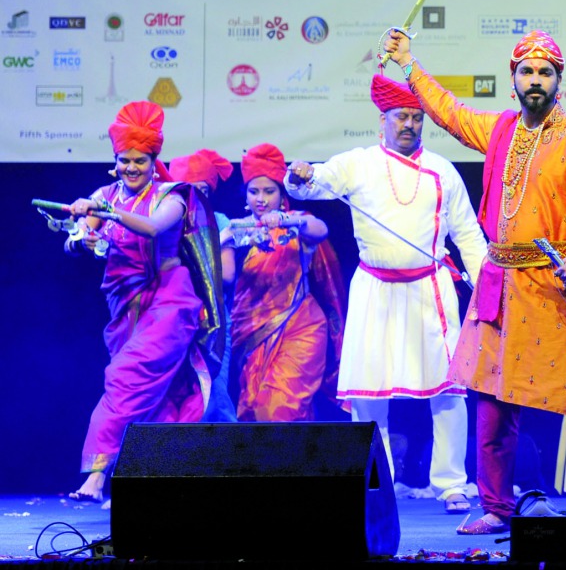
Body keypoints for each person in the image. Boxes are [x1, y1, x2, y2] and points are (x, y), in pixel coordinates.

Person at [383, 27, 566, 537]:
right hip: (500, 287)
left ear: (559, 80)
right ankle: (497, 505)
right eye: (526, 71)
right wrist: (408, 65)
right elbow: (448, 111)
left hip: (556, 293)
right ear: (512, 79)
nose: (534, 80)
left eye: (545, 72)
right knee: (493, 407)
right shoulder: (498, 131)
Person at [286, 75, 486, 514]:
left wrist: (487, 286)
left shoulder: (441, 171)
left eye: (417, 117)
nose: (410, 124)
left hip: (430, 289)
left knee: (449, 389)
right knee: (368, 392)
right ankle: (379, 482)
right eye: (402, 117)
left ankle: (452, 483)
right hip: (374, 288)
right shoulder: (358, 163)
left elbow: (468, 234)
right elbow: (311, 184)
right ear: (383, 121)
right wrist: (297, 175)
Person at [63, 101, 223, 505]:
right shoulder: (104, 195)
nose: (132, 168)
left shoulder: (174, 195)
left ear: (154, 161)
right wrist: (83, 235)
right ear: (114, 162)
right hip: (126, 306)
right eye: (124, 161)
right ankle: (150, 484)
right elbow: (76, 242)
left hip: (172, 301)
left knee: (125, 379)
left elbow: (152, 228)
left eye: (140, 160)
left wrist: (104, 212)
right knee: (159, 396)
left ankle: (96, 477)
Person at [221, 143, 347, 422]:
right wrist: (227, 241)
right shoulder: (235, 229)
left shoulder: (297, 222)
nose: (261, 199)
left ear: (282, 194)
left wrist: (287, 221)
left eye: (269, 191)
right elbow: (226, 277)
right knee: (256, 407)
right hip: (252, 330)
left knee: (282, 405)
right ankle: (296, 464)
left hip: (300, 327)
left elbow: (322, 230)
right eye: (254, 191)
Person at [168, 148, 238, 422]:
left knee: (214, 396)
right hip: (171, 318)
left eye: (204, 191)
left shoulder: (217, 222)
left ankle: (227, 462)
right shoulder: (165, 222)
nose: (197, 197)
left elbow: (228, 274)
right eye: (189, 190)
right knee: (173, 397)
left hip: (213, 322)